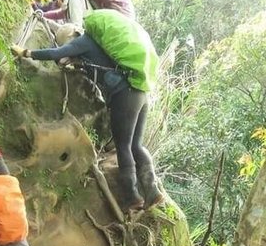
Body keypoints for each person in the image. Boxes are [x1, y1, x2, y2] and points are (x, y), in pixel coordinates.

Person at [12, 26, 164, 212]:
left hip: (125, 97)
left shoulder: (83, 42)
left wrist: (27, 52)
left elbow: (56, 53)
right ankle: (152, 190)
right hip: (139, 93)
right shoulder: (100, 44)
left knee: (123, 146)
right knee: (136, 145)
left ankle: (132, 196)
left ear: (69, 37)